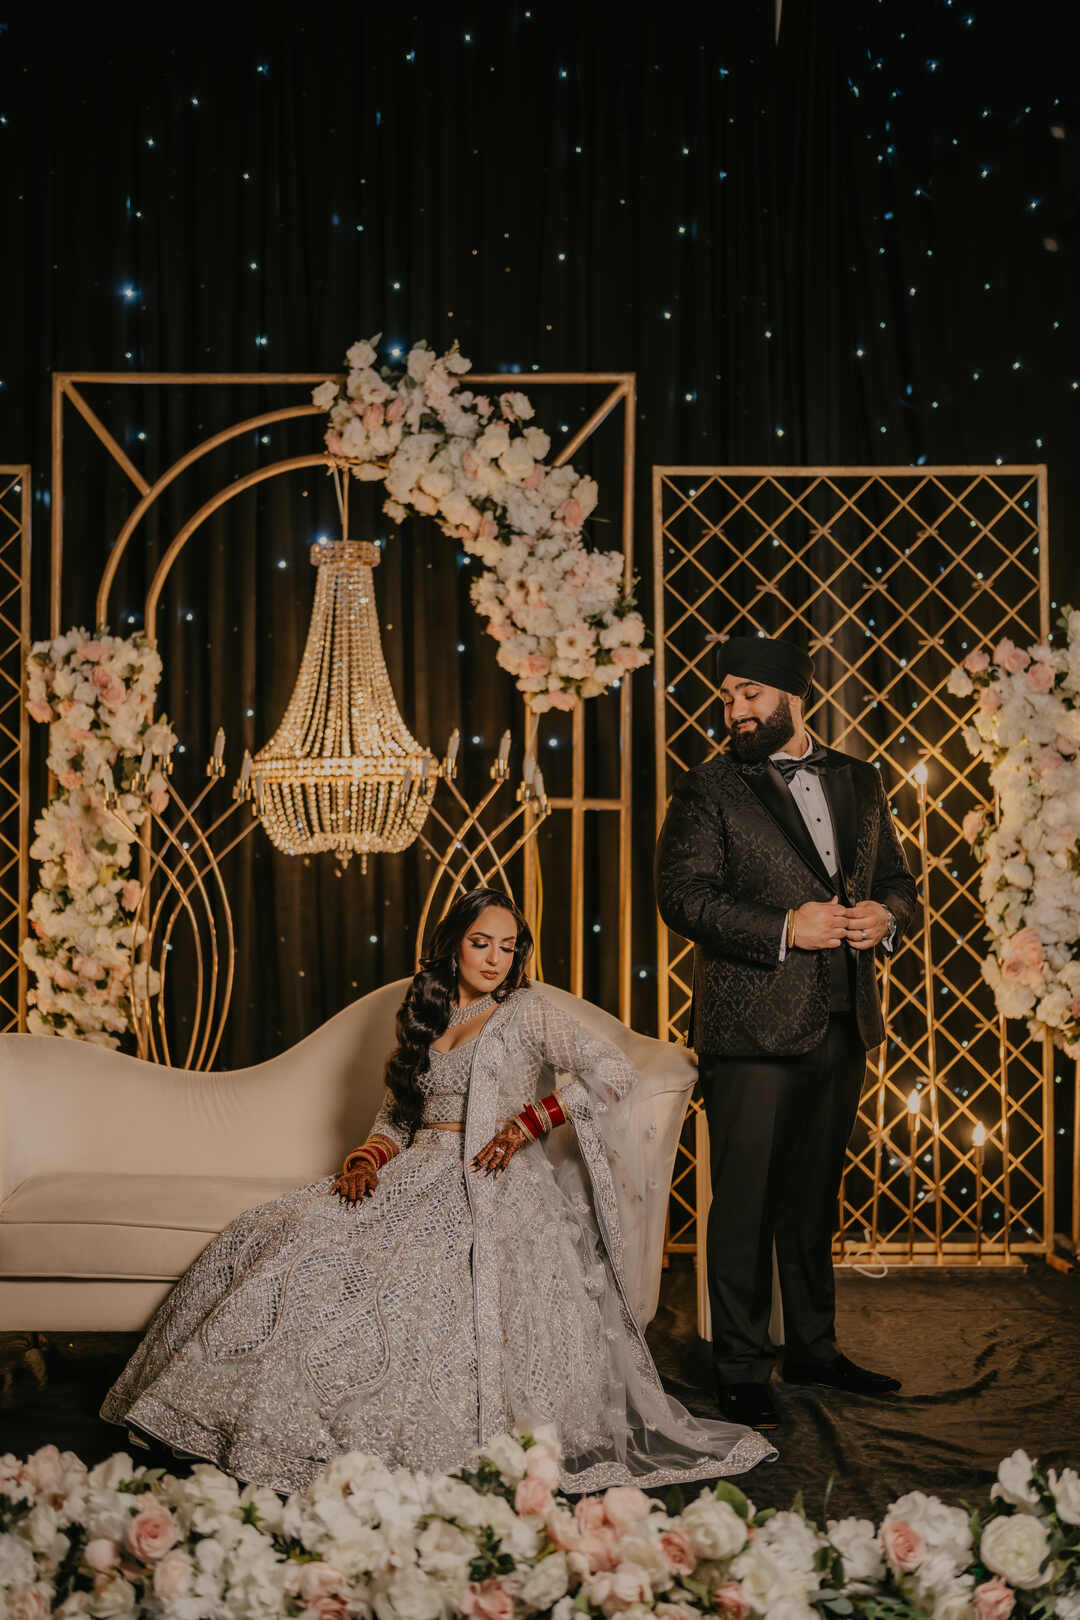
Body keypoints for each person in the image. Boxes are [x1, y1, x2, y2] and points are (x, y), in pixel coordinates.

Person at [102, 886, 774, 1494]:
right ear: (454, 944)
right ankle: (218, 1415)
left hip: (493, 1182)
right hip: (411, 1173)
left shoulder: (528, 1012)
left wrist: (528, 1123)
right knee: (288, 1238)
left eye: (508, 947)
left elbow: (615, 1073)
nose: (496, 959)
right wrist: (366, 1160)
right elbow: (397, 1117)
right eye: (482, 943)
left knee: (414, 1289)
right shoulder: (424, 1012)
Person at [655, 634, 917, 1432]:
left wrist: (887, 917)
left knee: (812, 1199)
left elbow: (899, 881)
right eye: (727, 698)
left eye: (750, 695)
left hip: (844, 1018)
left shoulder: (861, 779)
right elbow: (681, 896)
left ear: (794, 696)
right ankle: (740, 1367)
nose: (735, 710)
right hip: (750, 1030)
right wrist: (783, 928)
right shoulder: (708, 787)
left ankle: (813, 1348)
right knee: (744, 1205)